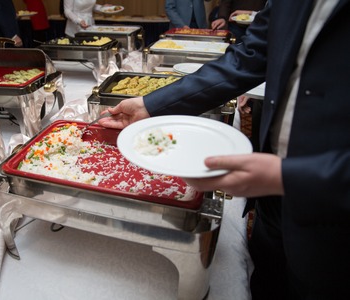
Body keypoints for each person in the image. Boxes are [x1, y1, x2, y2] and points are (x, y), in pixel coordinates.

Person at [99, 0, 350, 298]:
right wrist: (151, 105)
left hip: (337, 222)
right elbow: (247, 58)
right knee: (265, 282)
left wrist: (290, 176)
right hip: (271, 207)